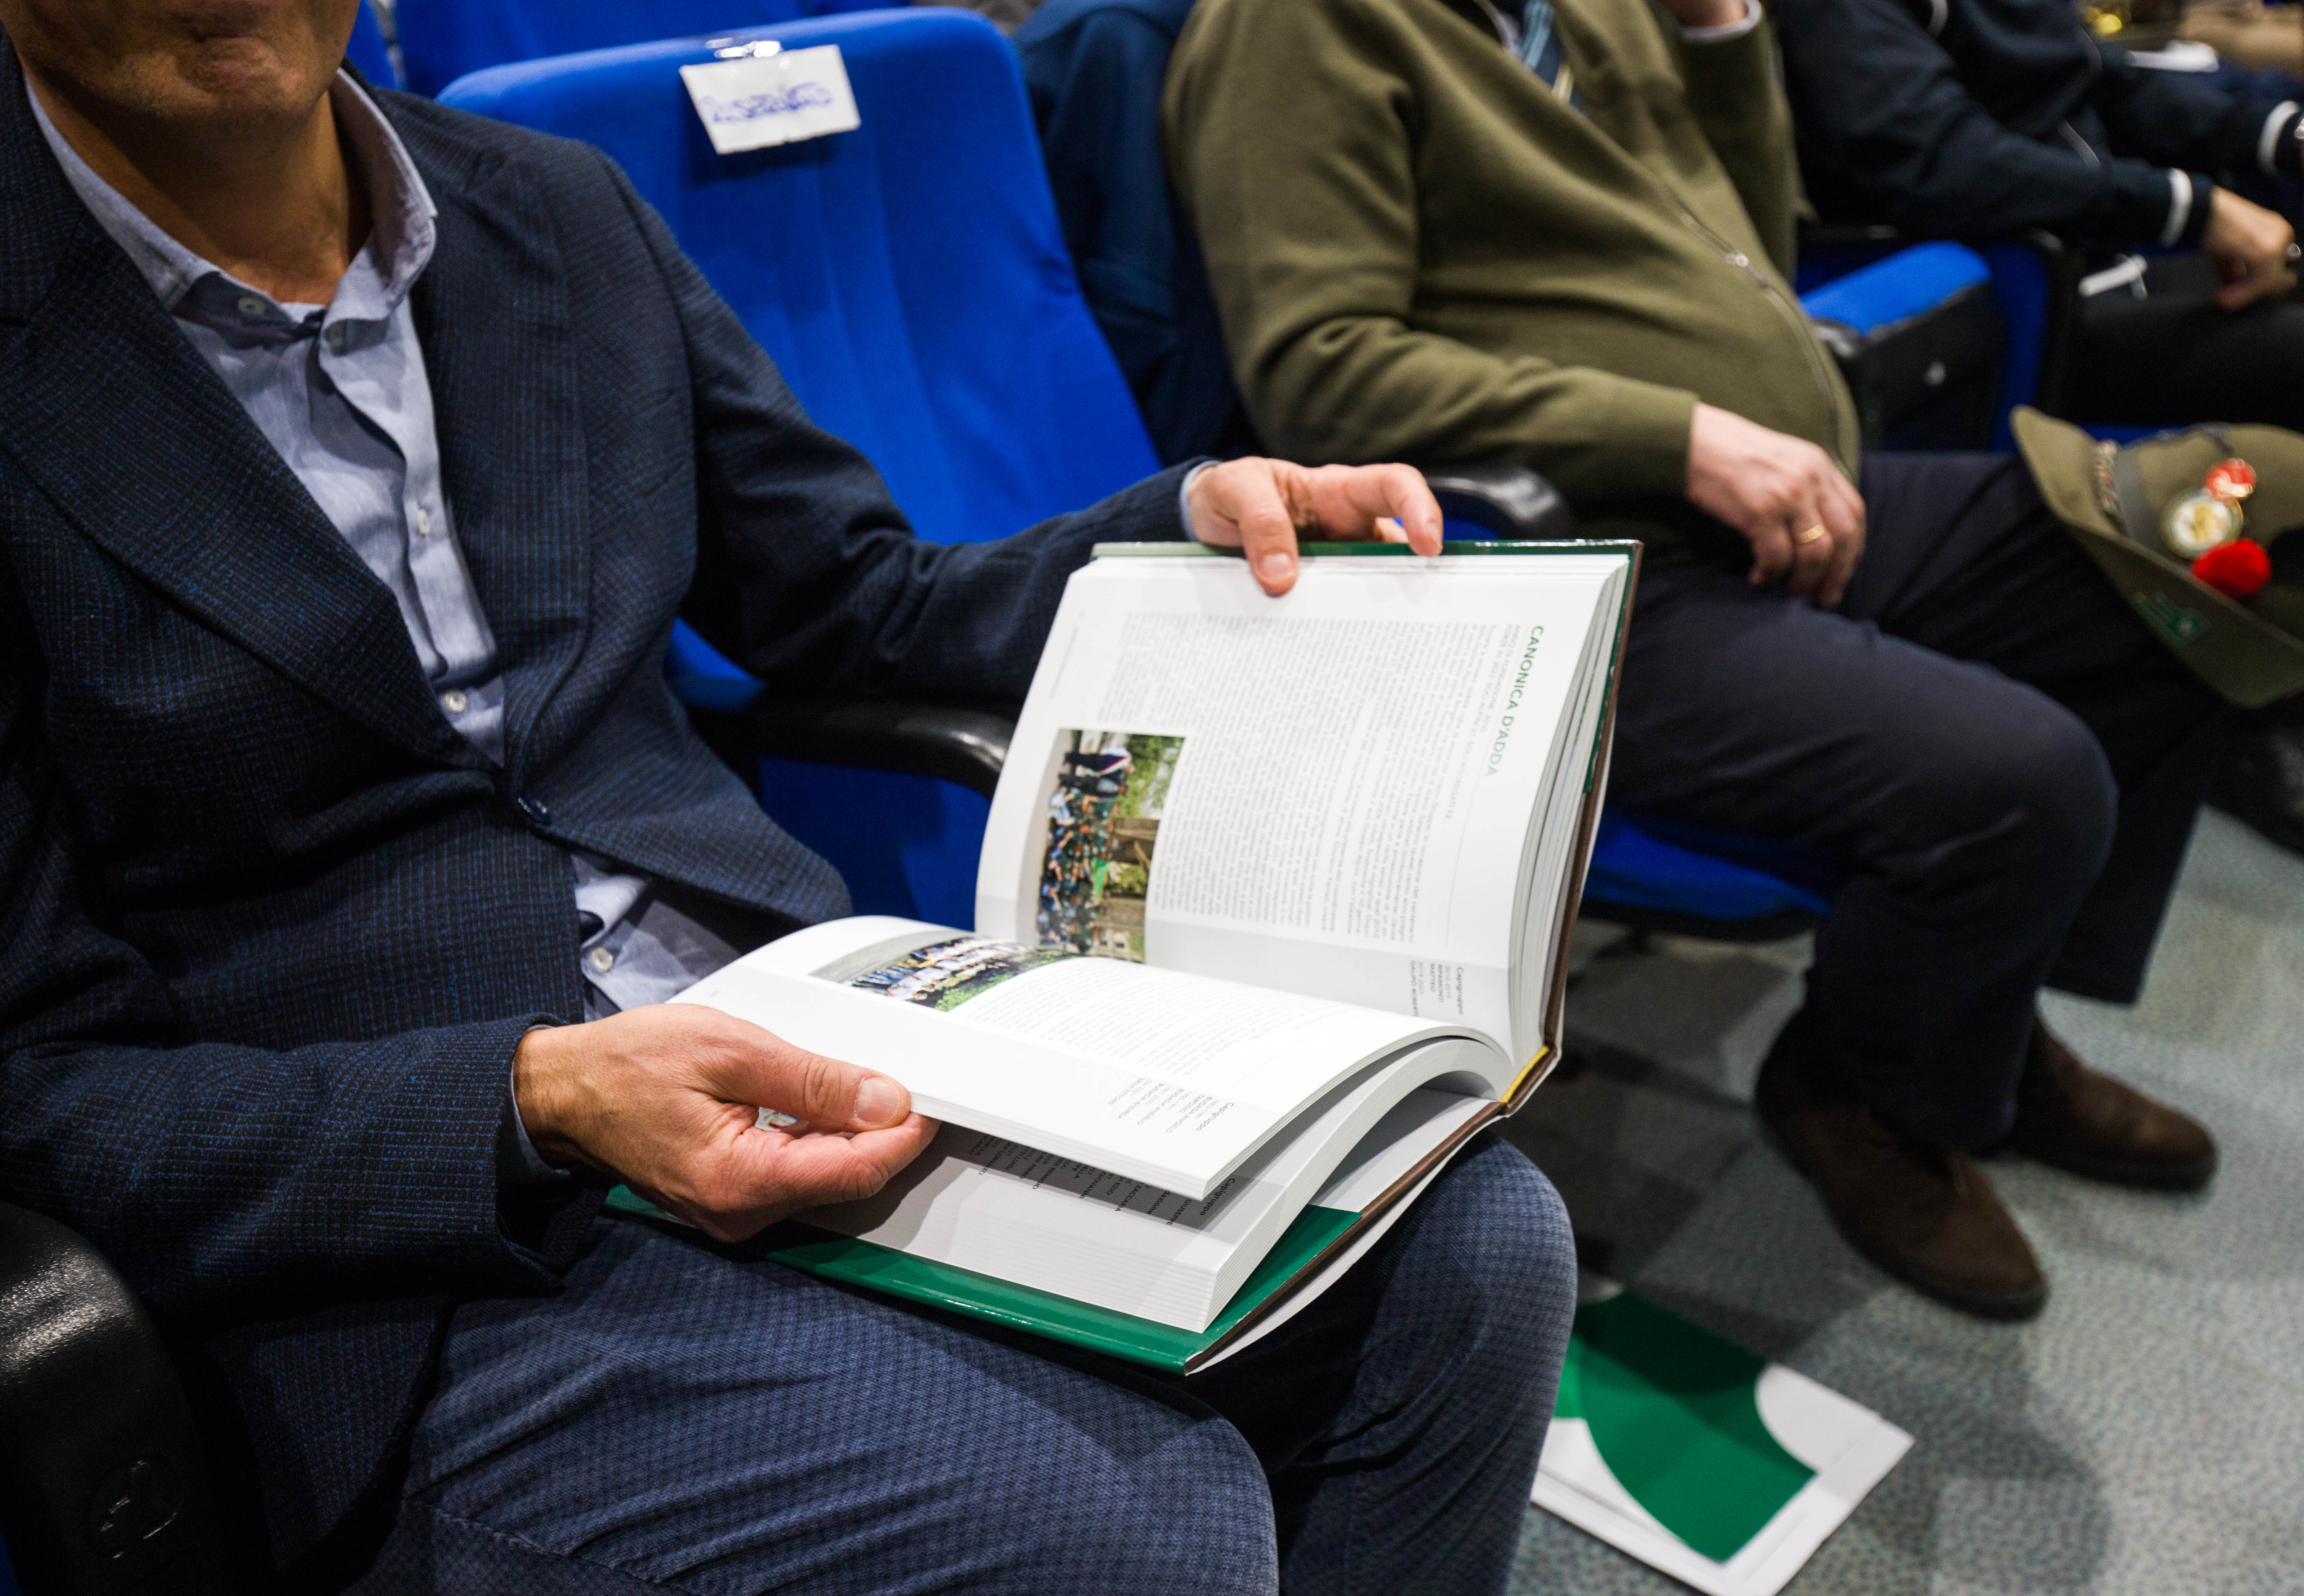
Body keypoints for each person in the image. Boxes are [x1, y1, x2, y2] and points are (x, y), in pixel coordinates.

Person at [0, 2, 1578, 1590]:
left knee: (1471, 1254)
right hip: (403, 1228)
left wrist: (1179, 539)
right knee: (1141, 1531)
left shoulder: (550, 206)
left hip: (793, 1022)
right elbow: (39, 1091)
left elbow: (852, 598)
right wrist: (530, 1096)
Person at [1166, 0, 2238, 1322]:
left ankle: (1986, 1027)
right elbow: (1321, 373)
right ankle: (1867, 1093)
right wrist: (1679, 437)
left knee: (2184, 560)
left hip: (1775, 500)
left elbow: (1749, 259)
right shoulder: (1300, 26)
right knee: (2026, 778)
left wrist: (1725, 35)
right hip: (1567, 564)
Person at [1773, 0, 2304, 872]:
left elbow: (2098, 81)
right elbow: (1936, 159)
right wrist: (2189, 208)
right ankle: (2261, 720)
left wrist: (2298, 141)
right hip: (2026, 304)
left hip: (2111, 262)